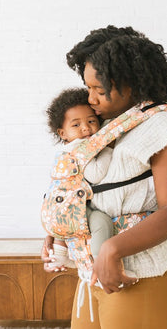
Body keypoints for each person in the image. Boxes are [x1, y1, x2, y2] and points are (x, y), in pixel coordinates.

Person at [42, 26, 167, 329]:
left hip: (143, 276)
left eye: (100, 90)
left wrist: (112, 248)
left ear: (132, 84)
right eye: (88, 89)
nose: (91, 99)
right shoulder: (107, 126)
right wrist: (62, 223)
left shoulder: (164, 127)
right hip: (94, 272)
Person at [44, 87, 117, 271]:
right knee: (101, 222)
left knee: (66, 226)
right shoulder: (82, 147)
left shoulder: (64, 151)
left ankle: (59, 256)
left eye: (91, 121)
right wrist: (108, 149)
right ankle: (101, 264)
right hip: (72, 205)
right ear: (63, 133)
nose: (85, 128)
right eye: (76, 125)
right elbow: (96, 174)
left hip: (56, 208)